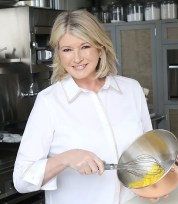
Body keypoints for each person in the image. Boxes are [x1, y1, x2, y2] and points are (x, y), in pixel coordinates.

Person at [13, 9, 154, 204]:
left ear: (100, 47)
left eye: (85, 46)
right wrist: (65, 159)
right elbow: (22, 180)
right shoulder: (49, 102)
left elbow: (148, 155)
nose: (77, 58)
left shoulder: (131, 89)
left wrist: (154, 185)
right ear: (59, 54)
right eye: (67, 49)